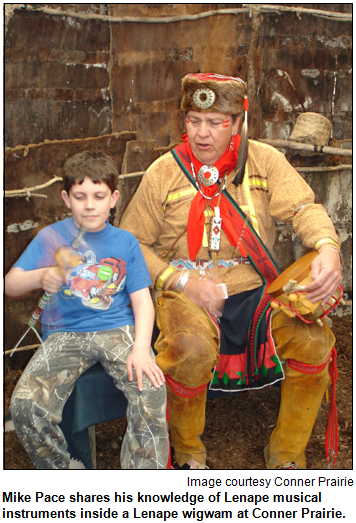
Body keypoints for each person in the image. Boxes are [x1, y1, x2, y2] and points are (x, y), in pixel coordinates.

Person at [120, 73, 342, 470]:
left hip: (255, 288)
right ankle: (187, 453)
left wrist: (328, 246)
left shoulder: (263, 159)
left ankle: (287, 455)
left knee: (313, 340)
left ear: (238, 122)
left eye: (216, 122)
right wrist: (180, 281)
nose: (202, 134)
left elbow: (303, 208)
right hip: (184, 290)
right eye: (193, 121)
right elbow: (132, 242)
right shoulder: (163, 172)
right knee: (188, 350)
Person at [5, 150, 169, 470]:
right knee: (25, 405)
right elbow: (9, 284)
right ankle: (66, 473)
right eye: (80, 196)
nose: (90, 205)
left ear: (114, 198)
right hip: (64, 334)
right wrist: (41, 276)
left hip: (118, 329)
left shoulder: (126, 242)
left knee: (150, 389)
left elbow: (142, 301)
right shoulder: (51, 237)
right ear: (66, 199)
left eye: (98, 195)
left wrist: (141, 348)